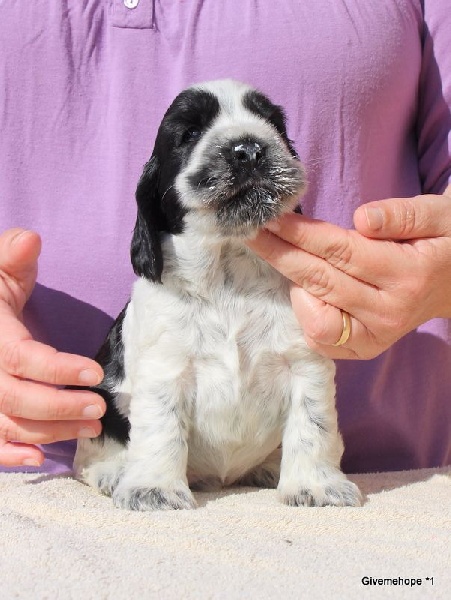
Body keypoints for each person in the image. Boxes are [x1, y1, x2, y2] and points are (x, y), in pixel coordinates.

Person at [1, 0, 450, 474]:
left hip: (402, 478)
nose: (248, 151)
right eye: (191, 134)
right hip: (41, 475)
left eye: (270, 126)